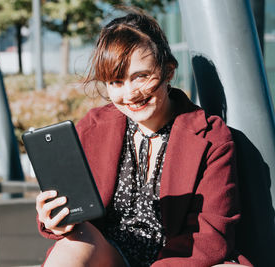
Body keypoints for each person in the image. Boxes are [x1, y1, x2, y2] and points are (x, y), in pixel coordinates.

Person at [35, 9, 252, 267]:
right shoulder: (93, 127)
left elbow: (210, 235)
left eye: (140, 76)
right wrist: (55, 220)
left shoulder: (212, 137)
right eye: (116, 81)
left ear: (168, 70)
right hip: (109, 253)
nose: (130, 93)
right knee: (68, 247)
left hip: (178, 260)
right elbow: (74, 215)